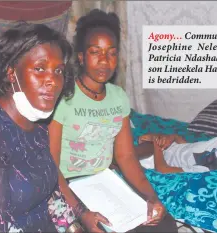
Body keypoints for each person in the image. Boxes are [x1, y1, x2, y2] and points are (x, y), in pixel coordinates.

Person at [48, 9, 177, 233]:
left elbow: (126, 156)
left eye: (111, 53)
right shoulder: (64, 96)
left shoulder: (118, 97)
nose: (104, 61)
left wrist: (152, 198)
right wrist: (81, 213)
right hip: (69, 185)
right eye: (95, 52)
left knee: (163, 225)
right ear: (81, 57)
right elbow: (51, 166)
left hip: (105, 182)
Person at [0, 22, 78, 232]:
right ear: (12, 73)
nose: (53, 81)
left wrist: (75, 224)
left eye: (58, 71)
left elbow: (48, 191)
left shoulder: (38, 123)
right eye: (39, 69)